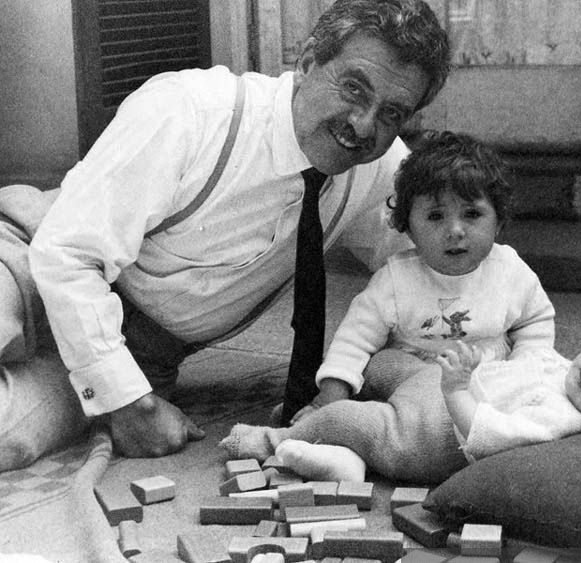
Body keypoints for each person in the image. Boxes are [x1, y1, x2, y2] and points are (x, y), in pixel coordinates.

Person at [0, 0, 451, 471]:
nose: (363, 126)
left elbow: (443, 272)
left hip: (138, 352)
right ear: (309, 62)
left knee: (11, 435)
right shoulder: (191, 110)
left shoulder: (380, 170)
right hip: (30, 259)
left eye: (391, 113)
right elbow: (66, 252)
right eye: (354, 88)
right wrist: (127, 404)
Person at [221, 129, 559, 482]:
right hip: (406, 379)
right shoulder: (396, 279)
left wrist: (526, 370)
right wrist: (330, 395)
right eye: (435, 217)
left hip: (484, 381)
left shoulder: (510, 271)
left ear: (499, 221)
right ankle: (318, 435)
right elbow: (355, 340)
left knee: (532, 414)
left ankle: (350, 448)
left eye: (472, 214)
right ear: (408, 228)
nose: (455, 230)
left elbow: (535, 322)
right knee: (372, 376)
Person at [220, 338, 581, 484]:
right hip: (431, 388)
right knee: (383, 362)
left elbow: (484, 434)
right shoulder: (565, 366)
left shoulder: (560, 420)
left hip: (424, 435)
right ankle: (340, 443)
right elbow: (516, 363)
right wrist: (482, 360)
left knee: (351, 420)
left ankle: (279, 439)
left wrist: (457, 385)